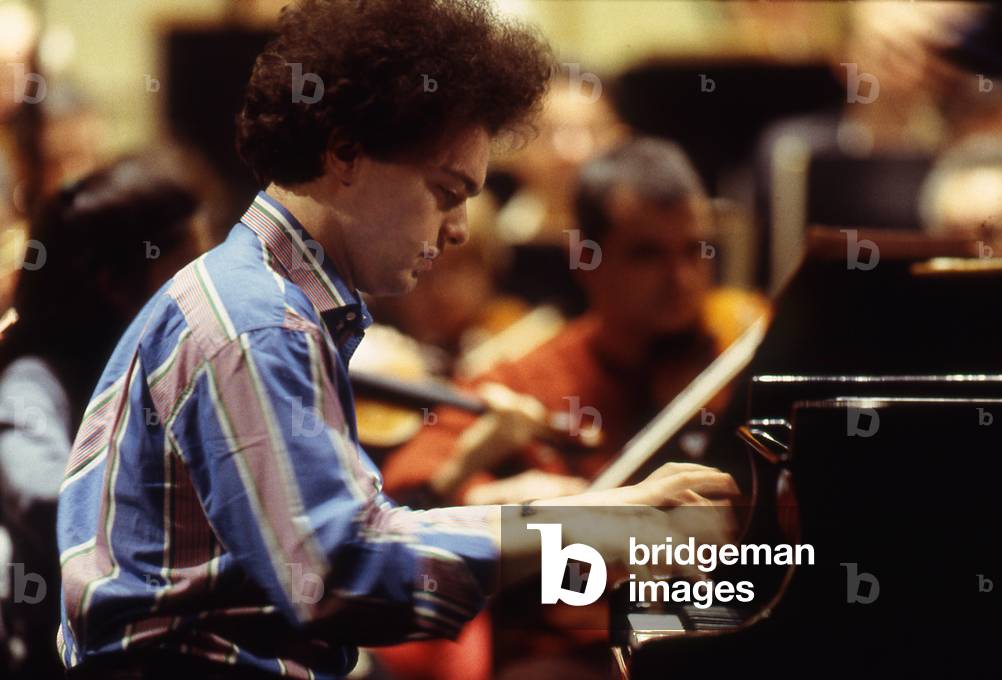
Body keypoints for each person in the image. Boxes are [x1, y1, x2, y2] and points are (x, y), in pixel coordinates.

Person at [56, 2, 739, 679]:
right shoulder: (256, 323)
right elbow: (341, 576)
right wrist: (602, 525)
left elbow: (337, 542)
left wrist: (595, 510)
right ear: (346, 152)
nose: (460, 229)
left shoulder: (257, 300)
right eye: (445, 192)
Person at [383, 137, 767, 508]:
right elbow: (410, 479)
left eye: (695, 251)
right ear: (586, 258)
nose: (680, 280)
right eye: (647, 255)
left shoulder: (745, 337)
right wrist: (492, 499)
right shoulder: (531, 381)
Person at [0, 152, 203, 679]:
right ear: (116, 285)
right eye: (188, 272)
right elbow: (41, 490)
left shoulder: (162, 370)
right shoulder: (33, 381)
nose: (209, 293)